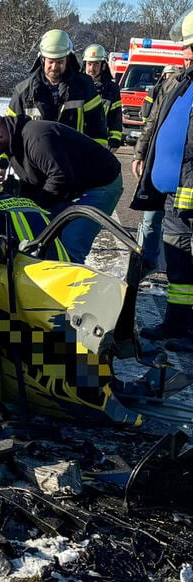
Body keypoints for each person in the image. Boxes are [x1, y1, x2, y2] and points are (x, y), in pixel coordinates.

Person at [0, 111, 123, 263]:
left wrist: (37, 205)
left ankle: (69, 281)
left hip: (100, 183)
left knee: (70, 246)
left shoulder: (37, 139)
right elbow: (39, 179)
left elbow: (61, 178)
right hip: (73, 184)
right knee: (48, 240)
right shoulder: (14, 144)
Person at [130, 10, 193, 347]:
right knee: (180, 269)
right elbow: (158, 124)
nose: (185, 53)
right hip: (174, 196)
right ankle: (177, 324)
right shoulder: (183, 82)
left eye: (191, 47)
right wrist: (144, 154)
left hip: (188, 193)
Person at [0, 29, 108, 186]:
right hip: (35, 168)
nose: (54, 66)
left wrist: (98, 160)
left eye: (60, 62)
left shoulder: (84, 86)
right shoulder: (24, 91)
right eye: (50, 62)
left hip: (74, 164)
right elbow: (8, 131)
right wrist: (1, 165)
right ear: (42, 59)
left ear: (68, 59)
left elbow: (97, 126)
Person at [132, 63, 185, 275]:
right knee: (151, 219)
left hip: (185, 171)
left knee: (180, 225)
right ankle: (146, 264)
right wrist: (140, 153)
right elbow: (152, 120)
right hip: (161, 165)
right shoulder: (173, 84)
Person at [82, 44, 123, 152]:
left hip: (100, 144)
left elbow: (115, 117)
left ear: (103, 66)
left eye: (96, 64)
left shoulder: (111, 89)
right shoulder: (76, 85)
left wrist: (114, 140)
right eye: (89, 64)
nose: (91, 68)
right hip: (77, 140)